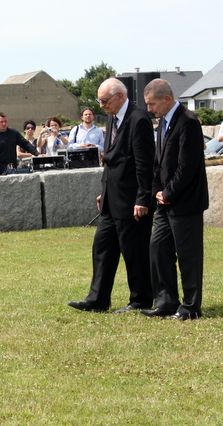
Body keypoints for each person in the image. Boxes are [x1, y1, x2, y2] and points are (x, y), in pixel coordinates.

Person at [68, 78, 155, 314]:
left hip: (131, 201)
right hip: (110, 199)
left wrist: (142, 199)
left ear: (120, 96)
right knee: (102, 247)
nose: (101, 105)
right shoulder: (112, 117)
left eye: (104, 100)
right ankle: (97, 299)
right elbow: (111, 161)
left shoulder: (139, 120)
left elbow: (144, 165)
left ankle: (140, 300)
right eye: (99, 100)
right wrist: (103, 191)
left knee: (134, 252)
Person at [140, 79, 209, 320]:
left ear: (167, 99)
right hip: (165, 204)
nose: (149, 109)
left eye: (152, 104)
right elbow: (159, 162)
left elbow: (187, 166)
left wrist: (169, 193)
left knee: (188, 256)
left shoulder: (187, 122)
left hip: (186, 203)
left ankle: (191, 308)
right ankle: (166, 302)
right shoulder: (162, 123)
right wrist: (158, 191)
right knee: (158, 248)